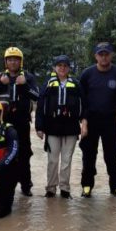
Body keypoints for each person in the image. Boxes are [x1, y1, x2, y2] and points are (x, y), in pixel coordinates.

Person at [0, 47, 39, 196]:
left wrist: (25, 85)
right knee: (2, 154)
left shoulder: (28, 77)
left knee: (24, 155)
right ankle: (2, 187)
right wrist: (0, 85)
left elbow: (37, 96)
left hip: (22, 122)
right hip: (3, 123)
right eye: (10, 59)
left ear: (20, 61)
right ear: (6, 62)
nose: (13, 62)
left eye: (16, 59)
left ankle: (26, 186)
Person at [78, 42, 116, 198]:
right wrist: (84, 121)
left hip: (110, 119)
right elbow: (81, 99)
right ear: (95, 56)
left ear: (111, 55)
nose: (104, 57)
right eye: (101, 54)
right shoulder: (87, 74)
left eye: (107, 54)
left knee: (112, 154)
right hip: (90, 119)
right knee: (88, 154)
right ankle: (86, 185)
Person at [35, 55, 83, 199]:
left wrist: (84, 123)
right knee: (52, 160)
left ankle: (65, 189)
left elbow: (84, 105)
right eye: (59, 65)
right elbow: (40, 106)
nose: (62, 68)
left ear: (69, 68)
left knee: (66, 161)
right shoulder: (48, 84)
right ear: (54, 68)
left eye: (65, 66)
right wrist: (39, 127)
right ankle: (51, 188)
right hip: (52, 127)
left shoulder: (76, 84)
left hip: (71, 127)